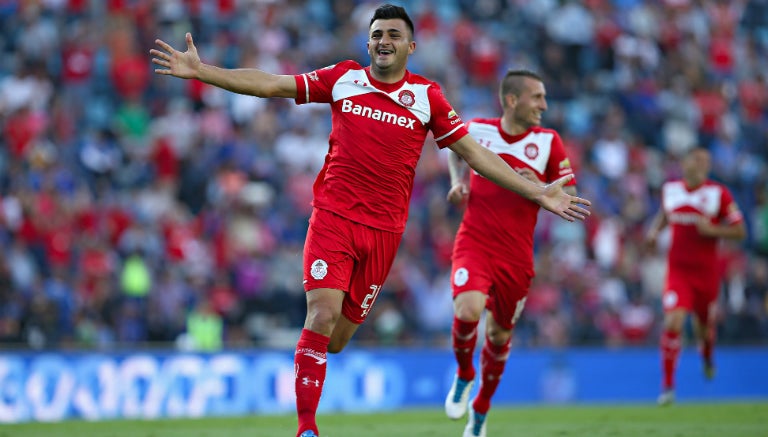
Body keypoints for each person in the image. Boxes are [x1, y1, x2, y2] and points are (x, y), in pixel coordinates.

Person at [151, 5, 590, 437]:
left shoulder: (427, 97)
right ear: (368, 42)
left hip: (383, 234)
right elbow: (271, 85)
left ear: (411, 46)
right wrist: (203, 71)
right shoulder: (345, 78)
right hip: (333, 219)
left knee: (337, 338)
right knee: (320, 316)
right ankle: (307, 429)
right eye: (378, 34)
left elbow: (474, 154)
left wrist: (537, 192)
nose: (384, 41)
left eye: (394, 35)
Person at [443, 69, 579, 437]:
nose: (544, 105)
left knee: (500, 336)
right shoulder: (478, 130)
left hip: (516, 257)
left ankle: (481, 412)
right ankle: (464, 374)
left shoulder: (549, 142)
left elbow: (567, 192)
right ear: (512, 100)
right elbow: (455, 151)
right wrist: (457, 182)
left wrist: (534, 183)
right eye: (537, 97)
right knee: (468, 309)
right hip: (475, 241)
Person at [645, 147, 746, 406]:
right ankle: (667, 387)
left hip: (706, 274)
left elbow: (740, 231)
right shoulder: (671, 190)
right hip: (678, 271)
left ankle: (708, 356)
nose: (703, 164)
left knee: (703, 328)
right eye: (698, 160)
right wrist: (654, 232)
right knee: (673, 322)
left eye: (706, 161)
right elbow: (666, 214)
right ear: (685, 162)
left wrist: (712, 230)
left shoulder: (718, 194)